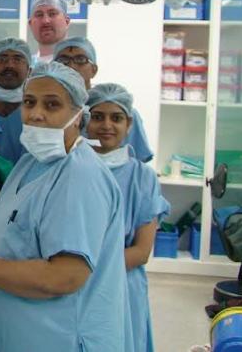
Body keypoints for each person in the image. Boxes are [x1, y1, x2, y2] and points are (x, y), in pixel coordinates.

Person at [0, 62, 133, 352]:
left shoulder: (80, 176)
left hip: (60, 338)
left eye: (52, 104)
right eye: (30, 102)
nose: (36, 113)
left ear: (77, 115)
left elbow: (64, 276)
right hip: (13, 335)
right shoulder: (29, 164)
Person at [86, 83, 170, 352]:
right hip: (73, 286)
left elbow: (141, 252)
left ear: (129, 124)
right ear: (84, 120)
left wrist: (77, 269)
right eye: (97, 116)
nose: (106, 125)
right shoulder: (71, 169)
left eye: (116, 118)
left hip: (121, 283)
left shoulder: (142, 177)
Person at [53, 36, 154, 162]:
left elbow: (138, 165)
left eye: (80, 59)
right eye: (63, 60)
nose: (71, 66)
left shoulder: (123, 113)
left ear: (94, 70)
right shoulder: (47, 113)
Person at [0, 37, 32, 164]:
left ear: (29, 71)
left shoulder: (37, 114)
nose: (10, 65)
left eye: (17, 59)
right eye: (2, 59)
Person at [28, 0, 70, 64]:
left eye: (52, 14)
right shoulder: (26, 67)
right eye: (39, 15)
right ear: (30, 24)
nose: (45, 20)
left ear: (66, 22)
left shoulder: (79, 65)